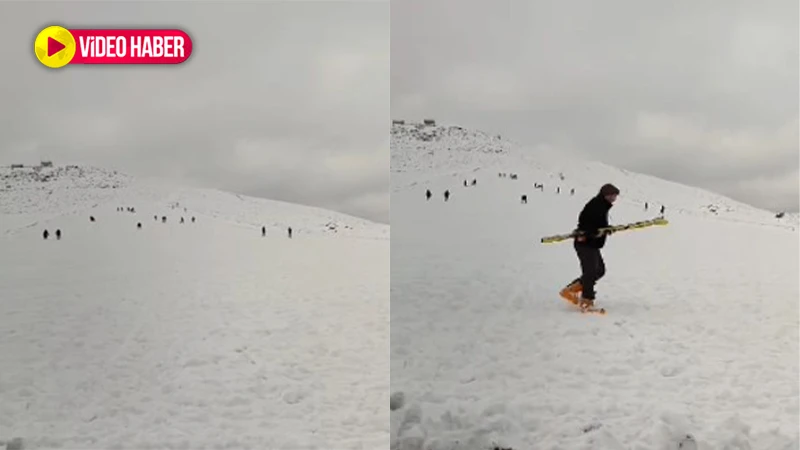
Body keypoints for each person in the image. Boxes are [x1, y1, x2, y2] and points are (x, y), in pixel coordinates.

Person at [560, 183, 620, 310]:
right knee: (590, 273)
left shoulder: (602, 205)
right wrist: (591, 232)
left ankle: (571, 290)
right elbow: (584, 221)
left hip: (592, 244)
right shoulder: (596, 205)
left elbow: (597, 224)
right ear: (606, 195)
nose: (614, 198)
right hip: (585, 243)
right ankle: (587, 301)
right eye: (613, 196)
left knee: (599, 271)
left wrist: (605, 229)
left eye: (615, 196)